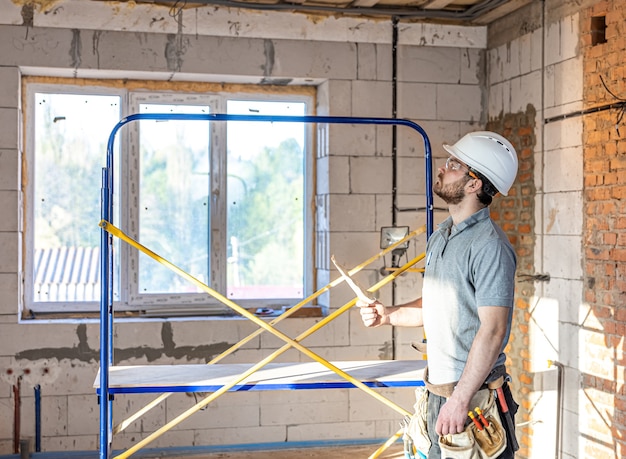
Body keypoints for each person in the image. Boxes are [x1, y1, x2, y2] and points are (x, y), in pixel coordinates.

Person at [359, 131, 519, 459]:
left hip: (473, 399)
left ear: (475, 184)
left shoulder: (489, 247)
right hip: (437, 393)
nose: (442, 169)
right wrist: (387, 314)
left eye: (454, 164)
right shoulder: (441, 236)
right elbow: (434, 308)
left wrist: (460, 400)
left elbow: (493, 331)